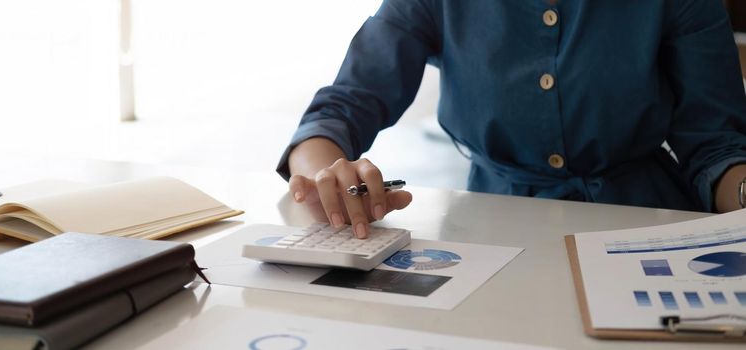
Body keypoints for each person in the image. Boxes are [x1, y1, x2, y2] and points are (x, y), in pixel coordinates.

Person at [276, 0, 746, 239]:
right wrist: (325, 176)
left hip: (646, 231)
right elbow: (342, 108)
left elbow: (716, 143)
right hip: (488, 237)